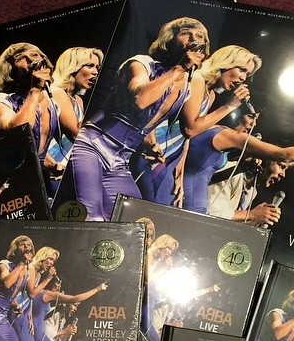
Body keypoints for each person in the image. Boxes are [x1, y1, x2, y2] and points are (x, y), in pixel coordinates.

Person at [61, 17, 210, 220]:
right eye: (186, 33)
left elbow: (189, 128)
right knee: (92, 216)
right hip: (93, 146)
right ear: (170, 39)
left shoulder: (189, 85)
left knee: (130, 220)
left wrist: (150, 141)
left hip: (121, 159)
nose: (193, 39)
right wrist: (179, 69)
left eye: (199, 36)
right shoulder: (142, 63)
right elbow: (140, 99)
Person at [181, 106, 294, 214]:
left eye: (256, 119)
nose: (253, 124)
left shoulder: (251, 191)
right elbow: (285, 155)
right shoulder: (231, 166)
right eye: (250, 116)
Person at [148, 45, 261, 208]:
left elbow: (188, 138)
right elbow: (190, 129)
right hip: (155, 151)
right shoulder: (197, 80)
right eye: (242, 70)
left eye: (247, 74)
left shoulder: (211, 94)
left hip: (170, 159)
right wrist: (229, 106)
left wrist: (180, 171)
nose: (243, 78)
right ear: (226, 63)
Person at [0, 43, 66, 196]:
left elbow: (35, 149)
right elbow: (18, 133)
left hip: (38, 182)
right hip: (8, 185)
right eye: (21, 58)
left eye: (34, 54)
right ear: (11, 69)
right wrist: (35, 90)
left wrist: (53, 165)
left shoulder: (53, 105)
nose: (31, 60)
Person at [28, 246, 108, 341]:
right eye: (50, 259)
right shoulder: (47, 294)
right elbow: (75, 299)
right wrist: (97, 289)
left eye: (54, 261)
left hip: (32, 334)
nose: (52, 263)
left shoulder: (37, 292)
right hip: (39, 336)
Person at [46, 47, 103, 194]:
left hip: (70, 168)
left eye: (97, 67)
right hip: (54, 168)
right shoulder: (57, 93)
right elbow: (77, 134)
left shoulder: (78, 100)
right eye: (90, 66)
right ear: (72, 67)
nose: (95, 72)